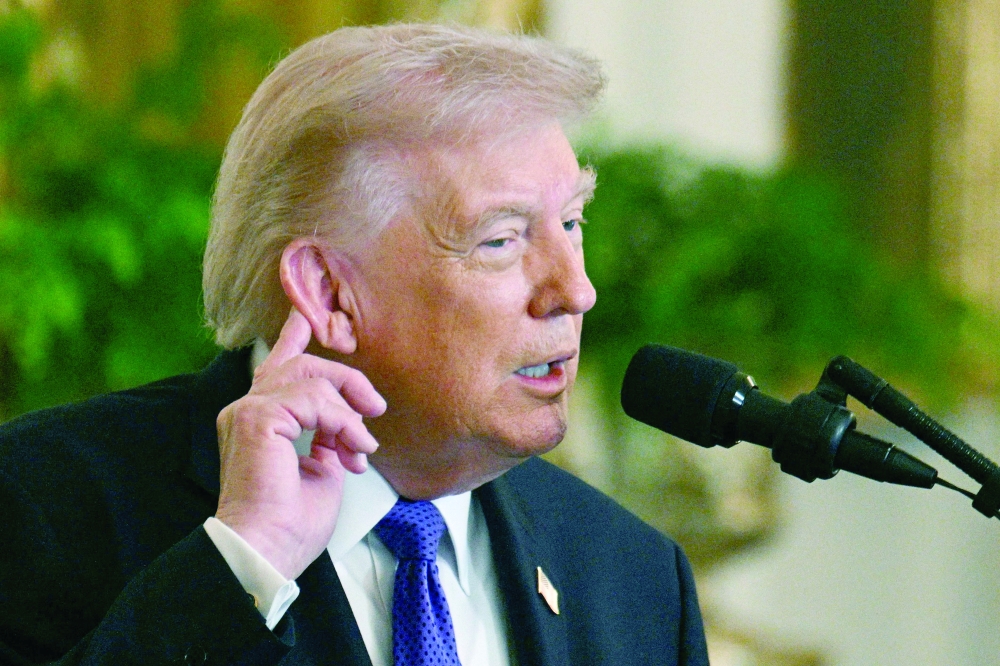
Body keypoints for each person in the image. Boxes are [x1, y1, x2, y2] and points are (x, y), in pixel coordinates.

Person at [0, 24, 709, 666]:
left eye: (572, 222)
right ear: (330, 294)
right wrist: (245, 561)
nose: (574, 291)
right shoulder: (39, 505)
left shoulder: (637, 580)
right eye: (501, 239)